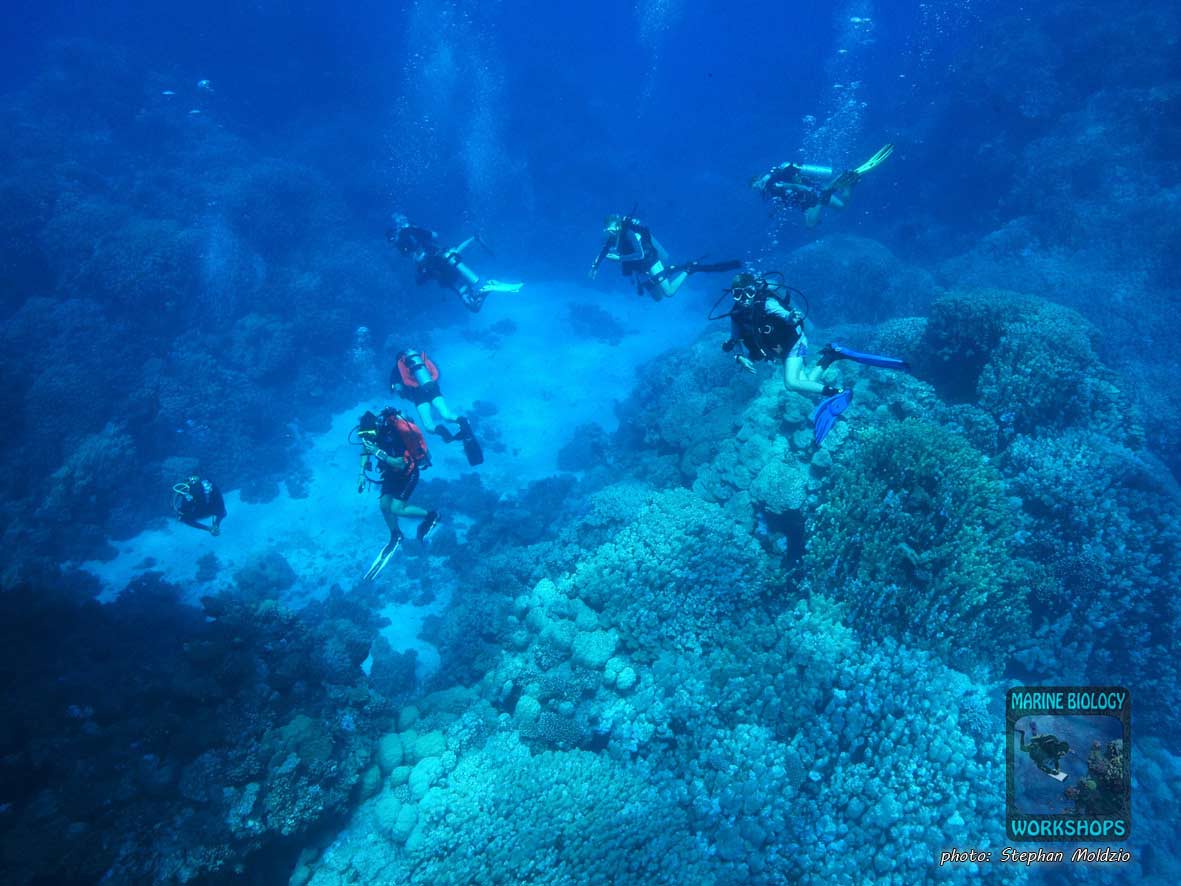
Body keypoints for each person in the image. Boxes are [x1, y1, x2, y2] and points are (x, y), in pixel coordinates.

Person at [718, 271, 908, 443]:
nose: (743, 299)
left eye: (748, 292)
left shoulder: (767, 303)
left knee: (791, 383)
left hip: (794, 343)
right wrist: (739, 358)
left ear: (755, 290)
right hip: (781, 351)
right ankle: (830, 355)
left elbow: (785, 315)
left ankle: (839, 392)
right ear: (733, 295)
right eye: (738, 294)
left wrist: (791, 316)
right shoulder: (736, 315)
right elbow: (735, 341)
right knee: (805, 384)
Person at [356, 407, 440, 581]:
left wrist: (377, 452)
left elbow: (400, 463)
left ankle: (432, 516)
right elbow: (365, 450)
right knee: (384, 506)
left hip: (407, 473)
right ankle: (396, 535)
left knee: (396, 508)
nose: (368, 438)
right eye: (364, 435)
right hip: (390, 473)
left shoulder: (393, 435)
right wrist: (361, 473)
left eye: (370, 434)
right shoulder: (370, 436)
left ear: (377, 427)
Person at [387, 214, 523, 312]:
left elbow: (434, 237)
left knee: (471, 296)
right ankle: (488, 286)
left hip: (446, 266)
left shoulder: (414, 238)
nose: (395, 242)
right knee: (474, 307)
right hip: (446, 276)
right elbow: (423, 268)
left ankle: (485, 285)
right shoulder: (408, 248)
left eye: (394, 238)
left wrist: (414, 229)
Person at [588, 214, 740, 301]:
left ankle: (688, 269)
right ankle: (669, 270)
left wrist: (619, 259)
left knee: (669, 293)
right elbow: (604, 251)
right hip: (640, 268)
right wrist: (595, 267)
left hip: (650, 262)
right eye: (608, 231)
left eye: (613, 230)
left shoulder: (628, 234)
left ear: (619, 226)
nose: (611, 233)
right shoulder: (611, 237)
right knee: (657, 298)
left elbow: (639, 254)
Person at [750, 144, 894, 227]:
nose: (756, 188)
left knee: (810, 224)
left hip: (808, 197)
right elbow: (785, 196)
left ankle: (826, 193)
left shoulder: (771, 185)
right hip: (814, 189)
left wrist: (805, 190)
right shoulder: (773, 181)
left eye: (755, 185)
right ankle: (849, 183)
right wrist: (776, 211)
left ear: (758, 180)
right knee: (841, 207)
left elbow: (790, 187)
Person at [391, 348, 483, 465]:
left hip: (418, 394)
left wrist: (404, 390)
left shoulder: (398, 367)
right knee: (446, 414)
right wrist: (429, 382)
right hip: (433, 387)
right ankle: (462, 422)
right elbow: (436, 373)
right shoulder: (422, 358)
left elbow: (401, 387)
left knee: (429, 425)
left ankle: (444, 434)